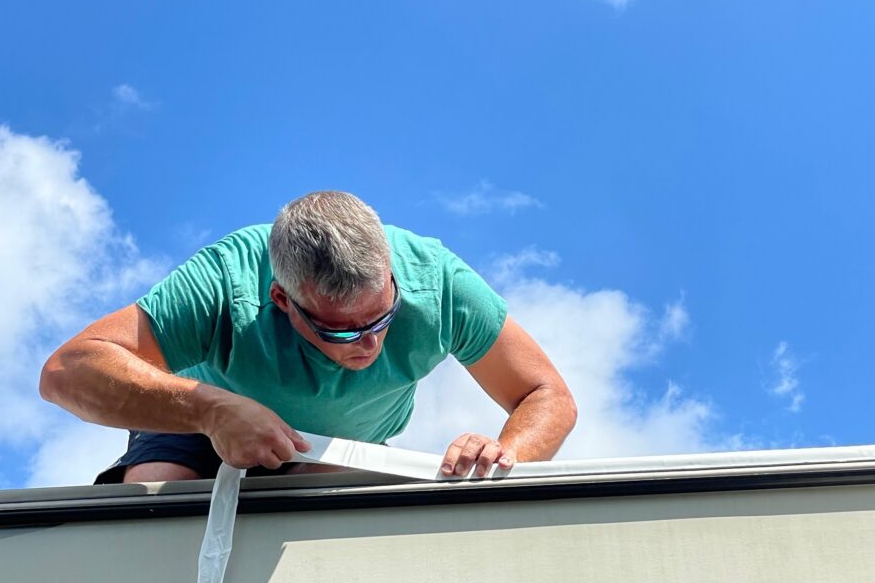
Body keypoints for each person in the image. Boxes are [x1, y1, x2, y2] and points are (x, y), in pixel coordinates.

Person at [39, 191, 576, 483]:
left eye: (380, 319)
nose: (367, 345)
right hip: (197, 427)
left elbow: (547, 395)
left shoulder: (439, 282)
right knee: (159, 502)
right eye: (338, 330)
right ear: (282, 302)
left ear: (392, 276)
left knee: (328, 534)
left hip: (339, 447)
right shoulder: (228, 279)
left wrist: (503, 457)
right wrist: (209, 411)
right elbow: (69, 369)